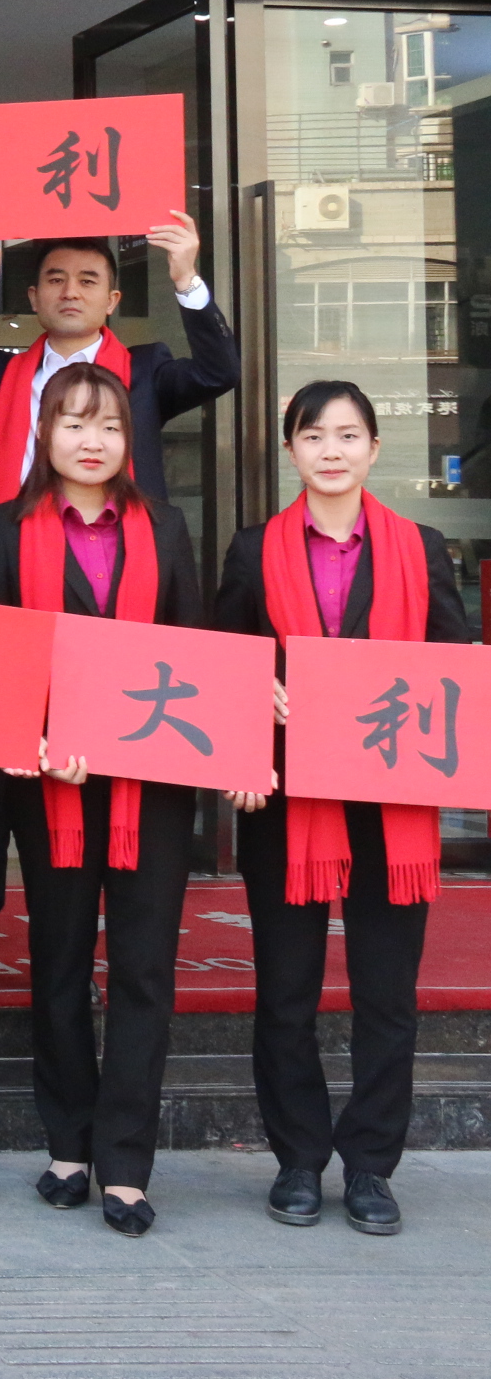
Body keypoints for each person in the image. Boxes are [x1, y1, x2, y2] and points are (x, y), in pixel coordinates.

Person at [0, 223, 238, 1008]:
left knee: (104, 806)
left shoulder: (147, 370)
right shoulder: (1, 373)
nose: (71, 291)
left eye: (88, 279)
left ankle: (101, 955)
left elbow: (221, 370)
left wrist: (188, 278)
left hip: (120, 598)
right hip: (11, 587)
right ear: (33, 297)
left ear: (113, 297)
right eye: (55, 279)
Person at [213, 379, 469, 1235]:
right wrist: (255, 703)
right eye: (314, 435)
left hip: (392, 801)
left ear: (373, 449)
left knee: (385, 995)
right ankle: (297, 1158)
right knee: (286, 991)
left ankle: (370, 1166)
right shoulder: (254, 550)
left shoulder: (420, 548)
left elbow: (453, 665)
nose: (331, 450)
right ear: (291, 449)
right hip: (288, 801)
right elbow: (224, 665)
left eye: (348, 434)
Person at [0, 360, 202, 1237]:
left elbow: (194, 651)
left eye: (107, 424)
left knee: (142, 971)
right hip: (50, 785)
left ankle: (127, 1163)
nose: (91, 440)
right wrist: (25, 737)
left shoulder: (166, 528)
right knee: (60, 964)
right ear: (44, 433)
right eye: (73, 422)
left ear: (127, 437)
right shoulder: (0, 531)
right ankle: (68, 1144)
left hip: (154, 788)